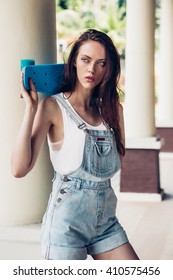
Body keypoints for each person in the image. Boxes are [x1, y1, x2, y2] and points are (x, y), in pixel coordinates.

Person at [11, 29, 139, 260]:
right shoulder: (52, 107)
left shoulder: (113, 110)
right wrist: (30, 109)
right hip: (66, 224)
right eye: (85, 60)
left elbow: (116, 161)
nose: (92, 69)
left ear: (109, 69)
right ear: (74, 62)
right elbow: (19, 169)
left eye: (101, 63)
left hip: (106, 222)